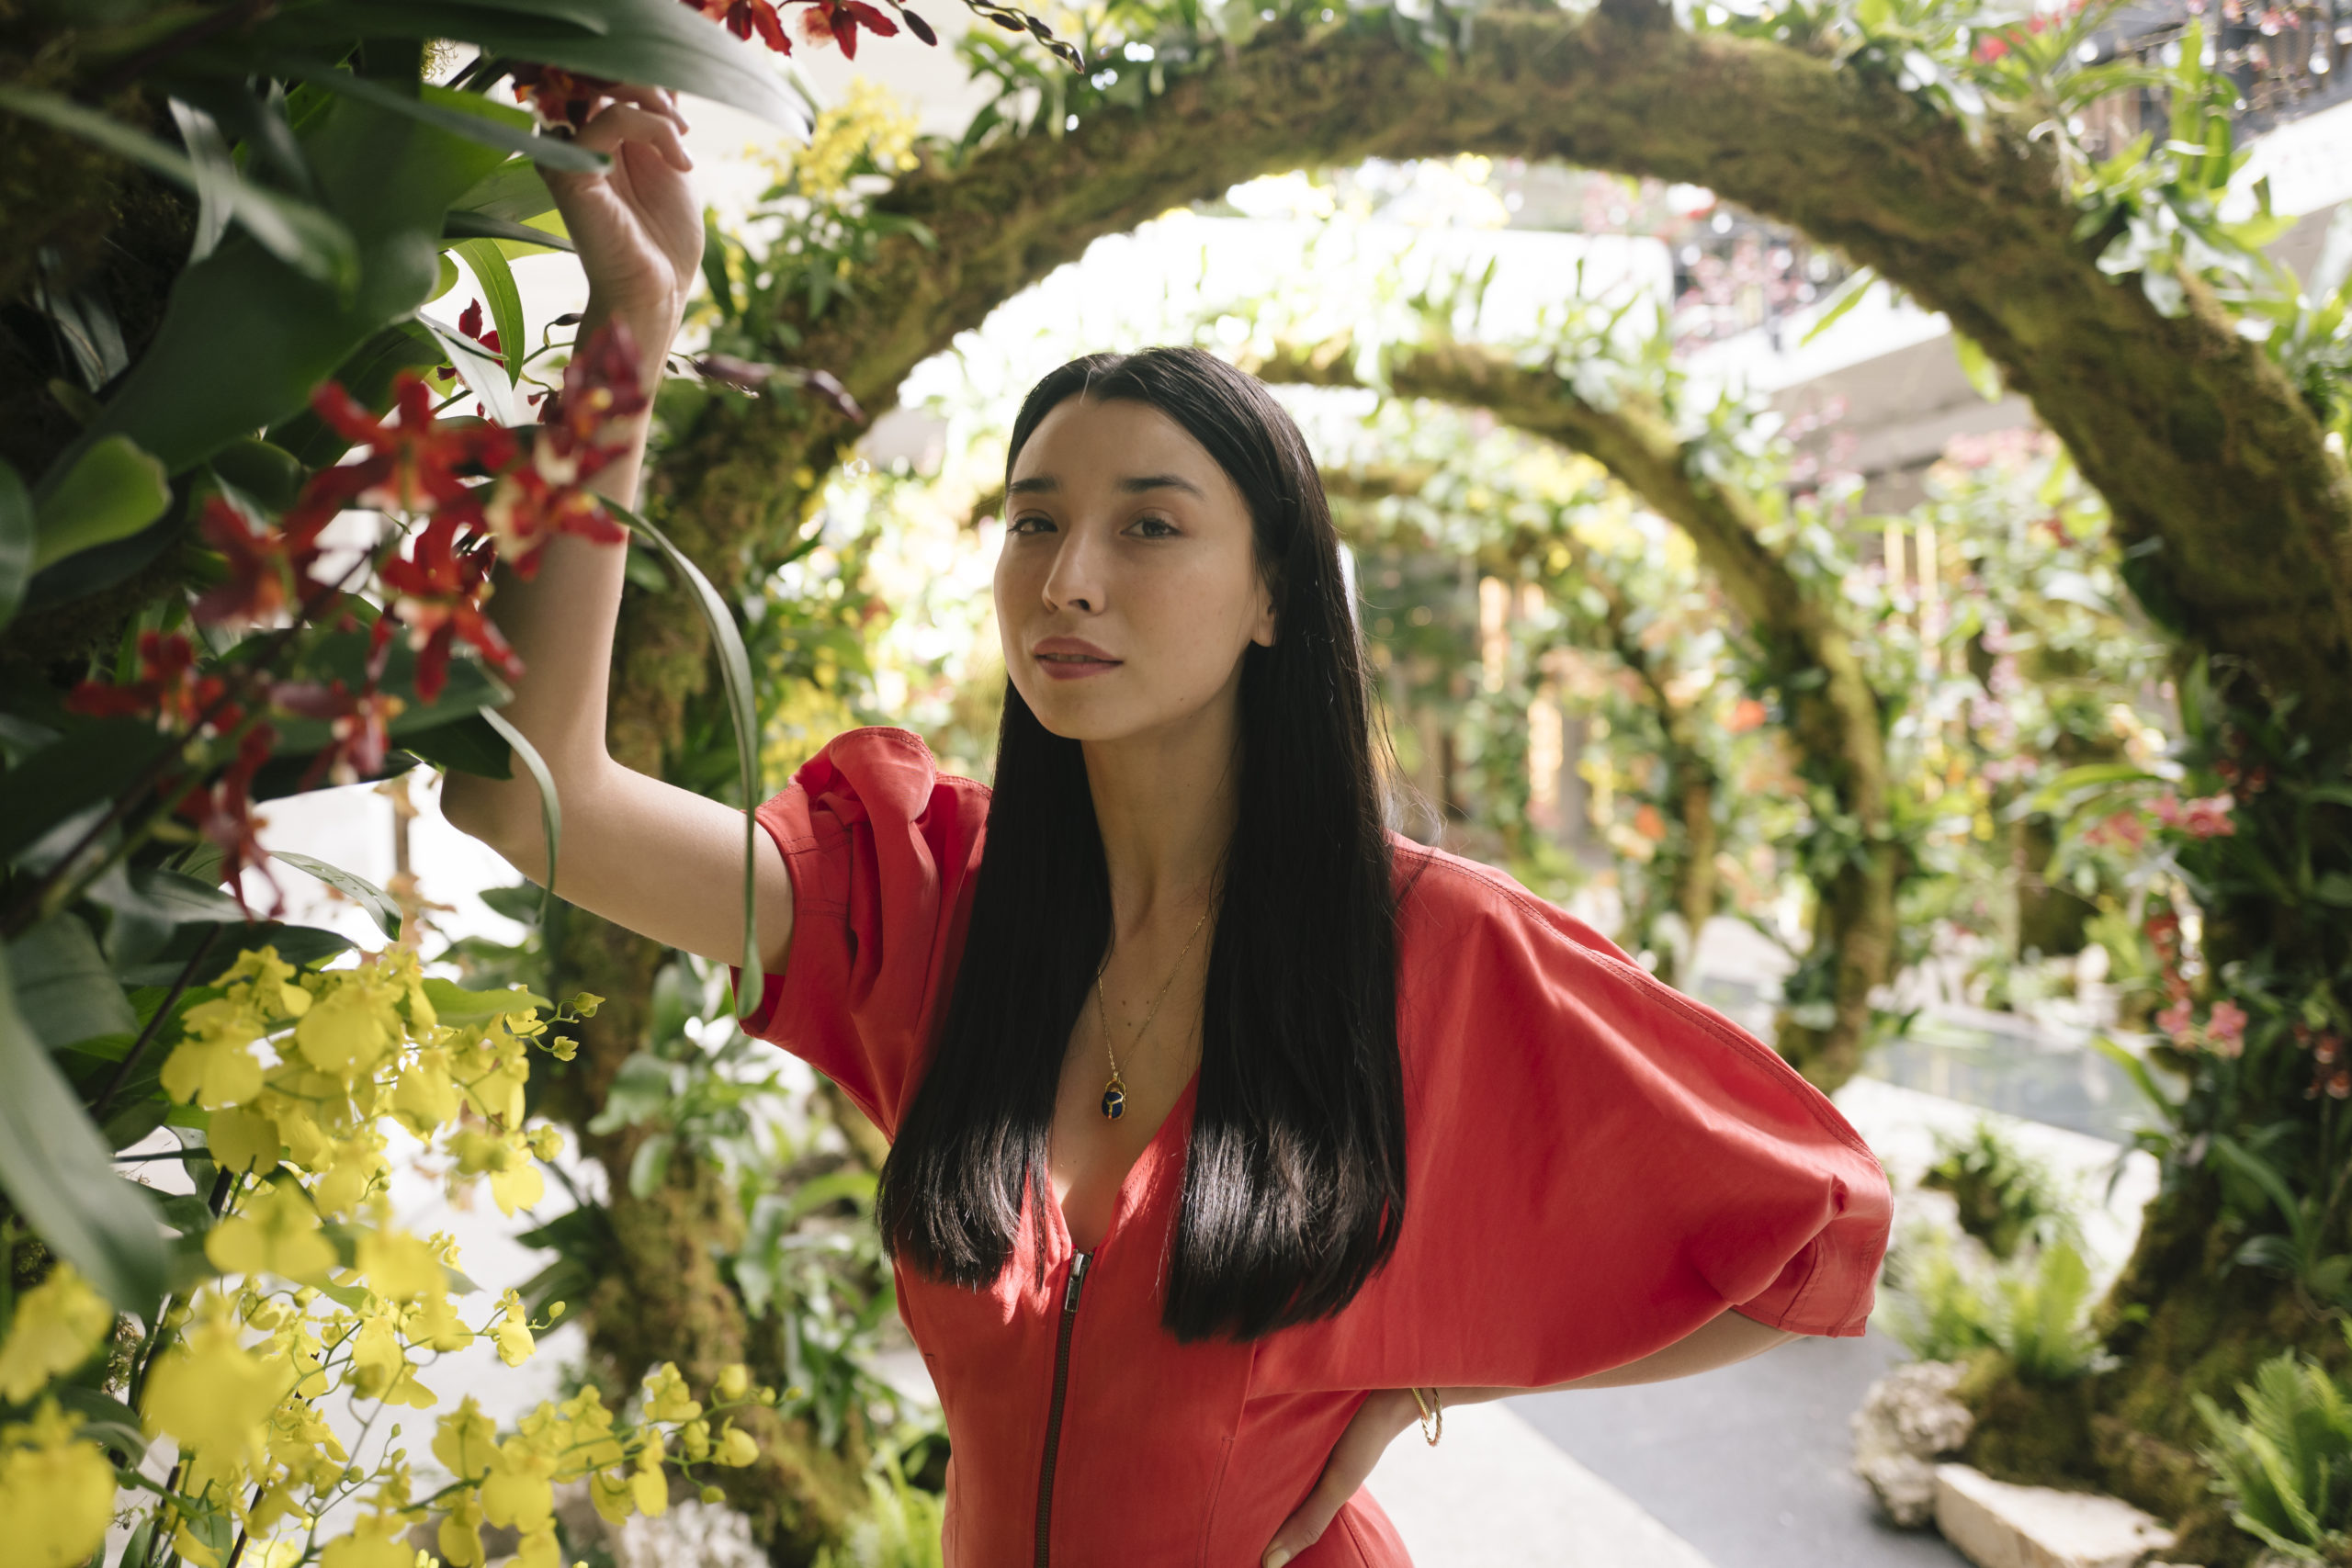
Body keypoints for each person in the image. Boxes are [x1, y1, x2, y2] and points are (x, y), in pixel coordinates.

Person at [442, 88, 1894, 1568]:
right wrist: (630, 326)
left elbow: (1812, 1231)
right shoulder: (931, 900)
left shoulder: (1424, 946)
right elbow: (526, 794)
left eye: (1149, 524)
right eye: (1032, 518)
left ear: (1275, 595)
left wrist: (1418, 1382)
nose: (1069, 578)